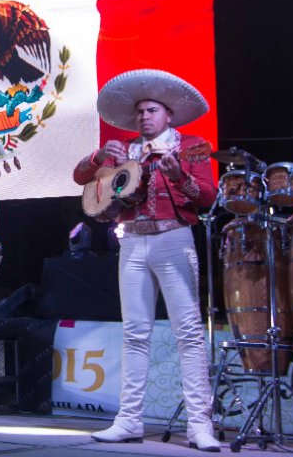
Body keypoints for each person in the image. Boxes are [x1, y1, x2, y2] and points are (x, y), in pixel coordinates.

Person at [72, 69, 220, 451]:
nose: (144, 117)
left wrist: (180, 178)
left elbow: (207, 196)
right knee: (135, 332)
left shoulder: (191, 146)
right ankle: (129, 420)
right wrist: (100, 156)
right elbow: (80, 177)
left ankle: (200, 425)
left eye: (152, 110)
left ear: (168, 115)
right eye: (139, 112)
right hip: (133, 242)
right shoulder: (123, 149)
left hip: (173, 237)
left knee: (188, 332)